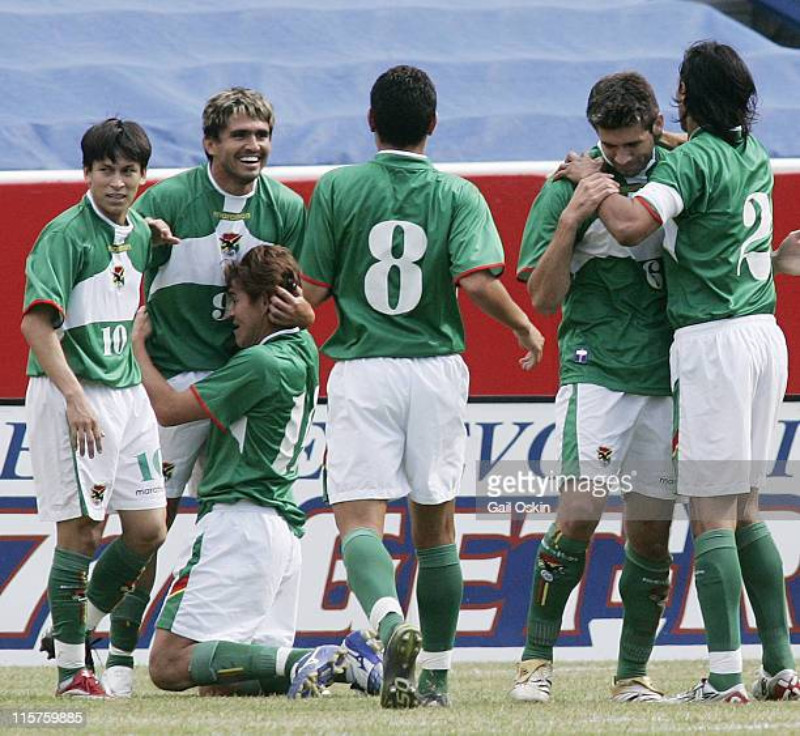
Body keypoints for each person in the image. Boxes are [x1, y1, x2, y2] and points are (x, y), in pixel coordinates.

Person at [300, 65, 545, 708]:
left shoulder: (337, 187)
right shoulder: (458, 195)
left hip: (364, 369)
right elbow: (477, 281)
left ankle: (387, 625)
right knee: (436, 529)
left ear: (371, 120)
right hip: (435, 370)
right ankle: (434, 678)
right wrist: (524, 326)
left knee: (360, 521)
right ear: (433, 124)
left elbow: (313, 291)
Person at [568, 41, 799, 703]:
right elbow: (700, 153)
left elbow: (631, 226)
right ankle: (781, 666)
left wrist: (592, 179)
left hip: (713, 343)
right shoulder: (749, 152)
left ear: (689, 97)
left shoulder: (693, 160)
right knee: (748, 511)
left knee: (711, 517)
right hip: (764, 334)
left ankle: (724, 677)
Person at [105, 87, 312, 696]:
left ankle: (242, 652)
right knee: (151, 524)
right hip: (172, 379)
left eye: (262, 135)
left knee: (238, 506)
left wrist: (306, 314)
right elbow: (116, 271)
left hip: (236, 385)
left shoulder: (287, 208)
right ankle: (118, 659)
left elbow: (295, 297)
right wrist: (139, 238)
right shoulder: (167, 200)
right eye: (240, 135)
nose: (254, 146)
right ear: (210, 143)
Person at [133, 244, 381, 698]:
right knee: (221, 685)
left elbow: (169, 409)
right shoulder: (303, 349)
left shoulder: (259, 363)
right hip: (280, 532)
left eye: (236, 299)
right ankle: (347, 664)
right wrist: (304, 315)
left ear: (269, 302)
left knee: (168, 665)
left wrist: (137, 350)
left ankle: (319, 657)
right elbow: (300, 326)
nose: (230, 313)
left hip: (238, 526)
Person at [511, 72, 679, 705]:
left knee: (652, 534)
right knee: (579, 513)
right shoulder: (567, 187)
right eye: (610, 147)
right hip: (596, 370)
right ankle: (534, 662)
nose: (623, 157)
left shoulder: (682, 171)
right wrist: (571, 220)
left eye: (634, 144)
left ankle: (632, 675)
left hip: (666, 375)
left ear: (657, 125)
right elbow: (543, 298)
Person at [21, 119, 173, 697]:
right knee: (82, 534)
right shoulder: (64, 235)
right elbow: (36, 326)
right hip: (75, 394)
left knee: (149, 530)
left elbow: (133, 251)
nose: (117, 182)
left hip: (129, 395)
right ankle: (71, 674)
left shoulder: (139, 233)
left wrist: (154, 233)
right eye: (105, 170)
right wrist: (75, 398)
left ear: (143, 176)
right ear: (86, 173)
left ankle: (73, 628)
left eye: (128, 171)